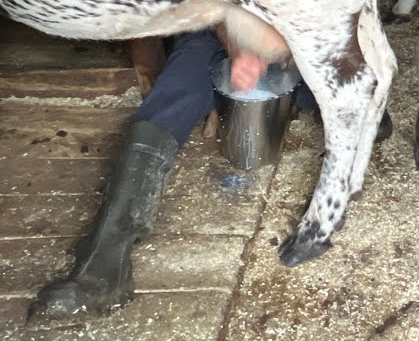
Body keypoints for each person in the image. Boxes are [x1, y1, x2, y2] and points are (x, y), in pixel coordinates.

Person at [28, 26, 391, 320]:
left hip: (291, 32)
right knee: (173, 94)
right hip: (210, 32)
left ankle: (346, 99)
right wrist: (238, 46)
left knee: (337, 89)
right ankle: (103, 264)